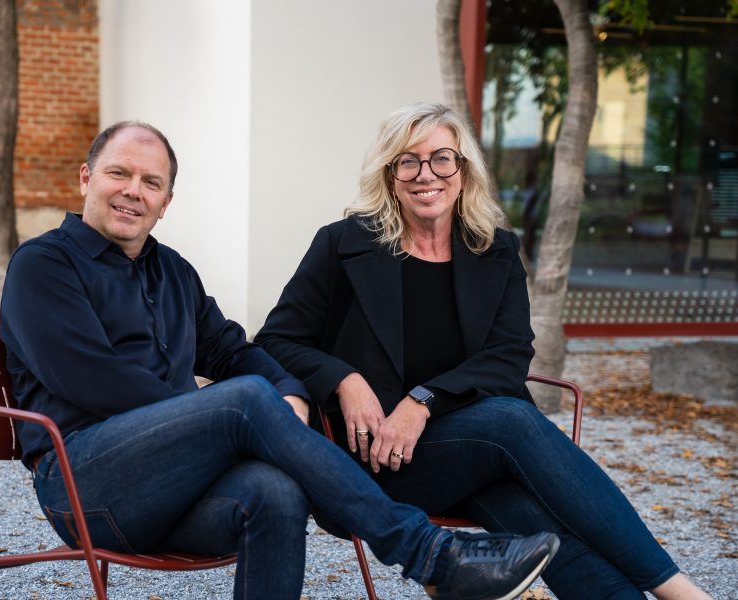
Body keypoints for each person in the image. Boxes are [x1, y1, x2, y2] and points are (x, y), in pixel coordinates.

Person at [0, 120, 560, 600]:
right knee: (241, 402)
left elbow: (235, 350)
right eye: (119, 173)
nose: (132, 192)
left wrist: (289, 391)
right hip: (85, 486)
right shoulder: (43, 266)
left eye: (151, 182)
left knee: (276, 491)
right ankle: (430, 556)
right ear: (86, 177)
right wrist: (221, 411)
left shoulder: (172, 271)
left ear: (166, 201)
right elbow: (92, 379)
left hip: (178, 487)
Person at [256, 103, 712, 600]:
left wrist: (423, 401)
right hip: (376, 461)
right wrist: (346, 381)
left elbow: (509, 356)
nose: (425, 174)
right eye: (407, 161)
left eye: (441, 158)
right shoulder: (343, 245)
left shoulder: (494, 250)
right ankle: (682, 592)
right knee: (511, 420)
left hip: (475, 455)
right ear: (389, 175)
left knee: (546, 529)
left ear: (464, 170)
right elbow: (275, 343)